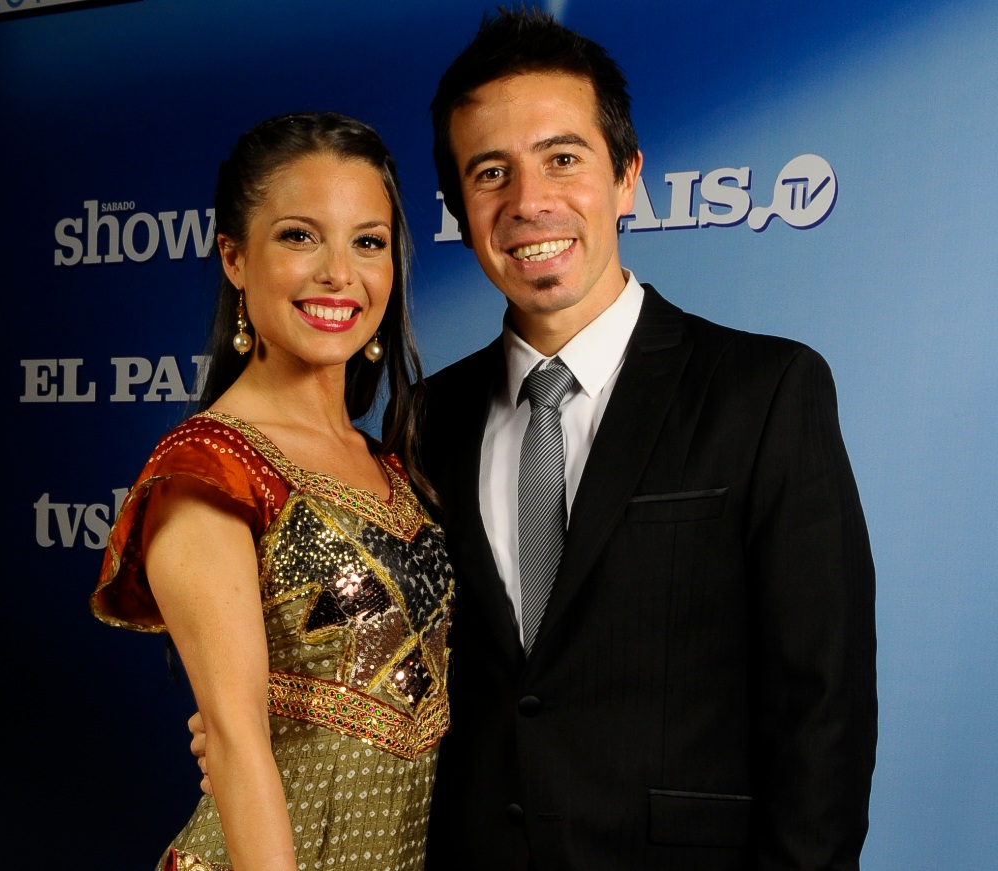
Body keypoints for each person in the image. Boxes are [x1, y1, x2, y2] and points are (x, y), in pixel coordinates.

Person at [192, 7, 877, 870]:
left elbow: (825, 713)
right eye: (491, 174)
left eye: (563, 158)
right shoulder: (420, 425)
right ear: (457, 210)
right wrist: (264, 716)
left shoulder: (766, 391)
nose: (530, 203)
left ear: (627, 176)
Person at [91, 111, 454, 871]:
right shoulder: (209, 467)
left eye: (368, 241)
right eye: (299, 235)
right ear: (233, 256)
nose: (338, 273)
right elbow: (232, 737)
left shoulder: (391, 461)